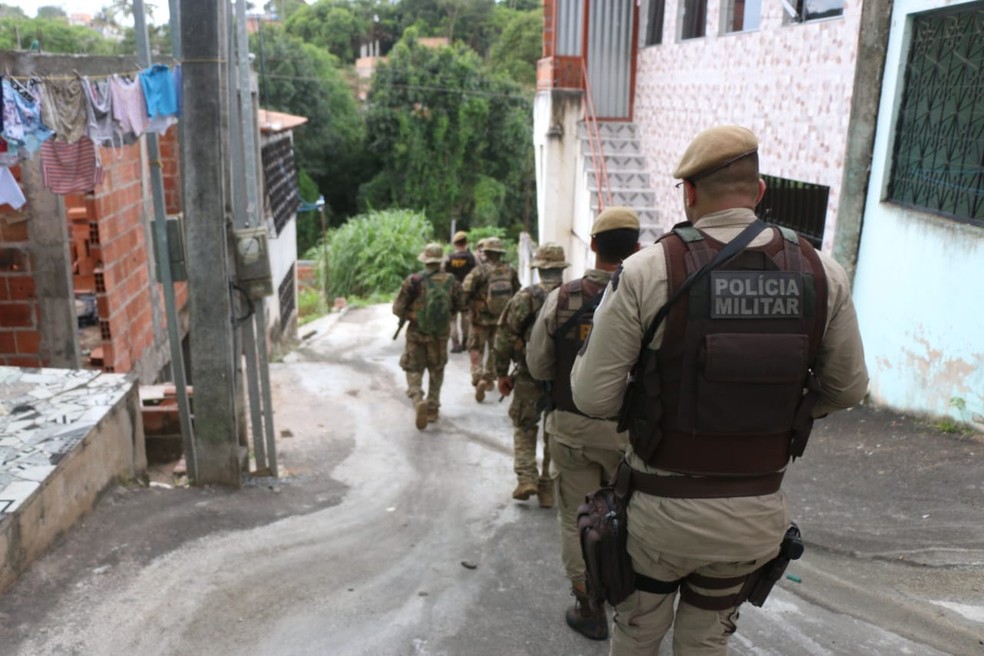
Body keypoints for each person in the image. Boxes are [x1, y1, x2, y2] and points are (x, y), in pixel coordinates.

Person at [570, 125, 869, 654]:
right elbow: (847, 389)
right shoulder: (822, 272)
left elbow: (593, 397)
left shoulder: (648, 270)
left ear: (688, 194)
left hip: (661, 515)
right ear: (758, 192)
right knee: (707, 640)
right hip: (756, 513)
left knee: (639, 632)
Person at [526, 207, 640, 641]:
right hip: (628, 432)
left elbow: (537, 365)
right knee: (628, 518)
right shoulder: (646, 293)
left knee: (578, 519)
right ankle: (632, 605)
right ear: (636, 246)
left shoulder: (562, 297)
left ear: (592, 246)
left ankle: (588, 604)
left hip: (571, 426)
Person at [493, 243, 569, 506]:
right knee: (554, 433)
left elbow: (503, 338)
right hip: (564, 380)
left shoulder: (524, 298)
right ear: (561, 268)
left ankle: (526, 477)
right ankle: (547, 488)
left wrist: (501, 373)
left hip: (528, 375)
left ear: (539, 270)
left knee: (525, 426)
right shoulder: (574, 296)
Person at [393, 242, 465, 431]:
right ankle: (432, 408)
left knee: (412, 367)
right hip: (440, 335)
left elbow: (397, 308)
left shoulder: (414, 280)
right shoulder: (452, 281)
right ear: (441, 260)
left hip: (417, 333)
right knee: (437, 369)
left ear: (425, 259)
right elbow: (460, 305)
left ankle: (417, 398)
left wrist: (412, 314)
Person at [462, 237, 519, 402]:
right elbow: (517, 293)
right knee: (495, 350)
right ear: (500, 253)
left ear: (486, 253)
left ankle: (478, 376)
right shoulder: (510, 270)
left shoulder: (479, 271)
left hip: (480, 319)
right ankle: (488, 379)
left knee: (475, 348)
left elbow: (466, 291)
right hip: (501, 320)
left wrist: (467, 308)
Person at [442, 230, 477, 354]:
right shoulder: (471, 257)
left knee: (452, 319)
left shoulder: (449, 258)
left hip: (452, 290)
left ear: (455, 243)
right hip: (467, 290)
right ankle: (465, 343)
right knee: (466, 317)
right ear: (466, 242)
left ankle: (455, 344)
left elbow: (443, 274)